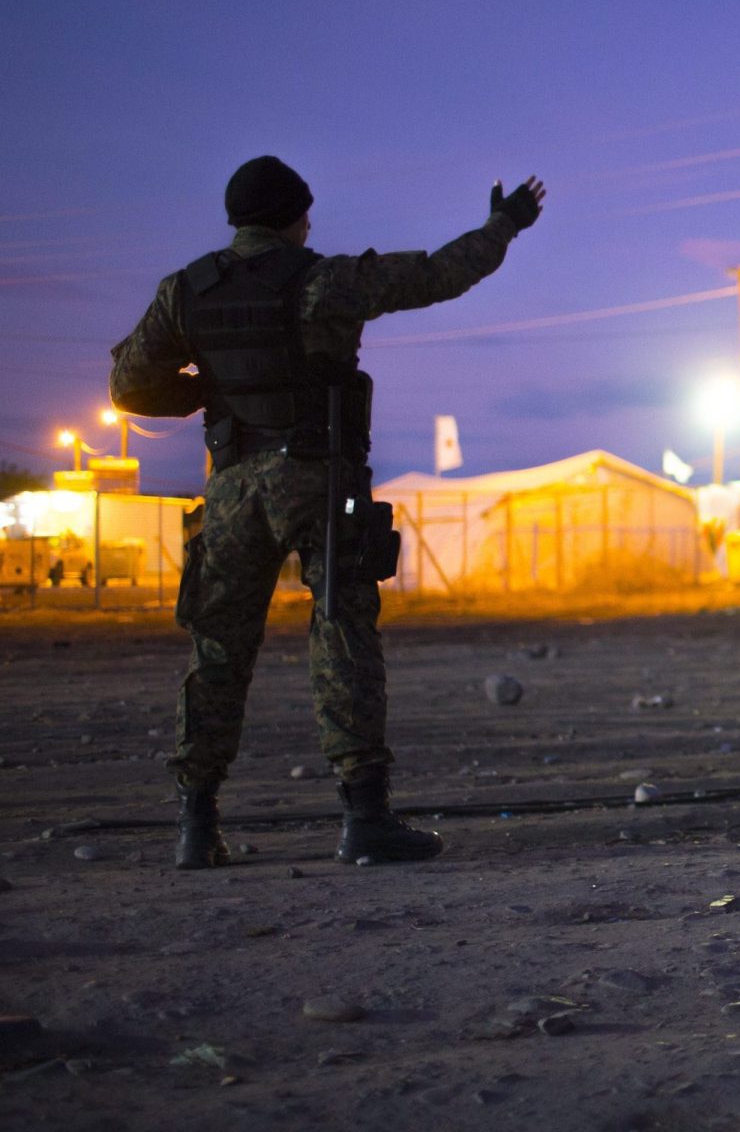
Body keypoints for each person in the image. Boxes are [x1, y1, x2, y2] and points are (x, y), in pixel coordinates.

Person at [110, 155, 546, 869]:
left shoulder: (186, 291)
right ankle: (364, 819)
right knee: (341, 629)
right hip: (318, 478)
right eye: (306, 212)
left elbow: (129, 384)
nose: (311, 223)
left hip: (232, 488)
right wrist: (503, 225)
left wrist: (209, 392)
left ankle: (196, 824)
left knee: (217, 649)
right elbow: (438, 275)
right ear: (290, 215)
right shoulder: (322, 281)